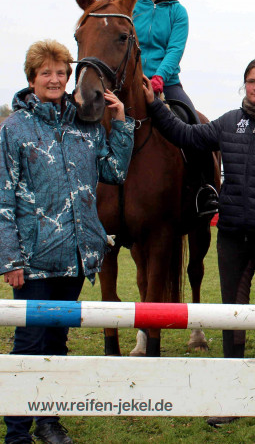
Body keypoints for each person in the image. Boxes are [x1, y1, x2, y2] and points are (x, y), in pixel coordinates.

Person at [141, 57, 255, 433]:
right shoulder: (228, 122)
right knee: (232, 316)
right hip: (234, 238)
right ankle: (231, 398)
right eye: (250, 81)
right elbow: (186, 136)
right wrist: (154, 106)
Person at [0, 40, 133, 444]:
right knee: (29, 343)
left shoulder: (86, 124)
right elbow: (4, 197)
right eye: (47, 73)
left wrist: (121, 122)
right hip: (34, 258)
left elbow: (114, 172)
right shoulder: (15, 128)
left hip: (77, 256)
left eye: (61, 73)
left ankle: (49, 421)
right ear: (31, 80)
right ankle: (17, 432)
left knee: (57, 342)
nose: (56, 80)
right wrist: (10, 259)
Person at [132, 0, 218, 216]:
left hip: (166, 82)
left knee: (192, 121)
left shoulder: (178, 12)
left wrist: (159, 77)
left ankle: (205, 189)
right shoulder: (131, 7)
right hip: (131, 80)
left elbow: (174, 49)